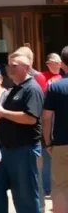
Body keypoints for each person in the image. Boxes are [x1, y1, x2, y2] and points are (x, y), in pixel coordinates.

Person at [0, 50, 44, 213]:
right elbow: (13, 117)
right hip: (5, 150)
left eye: (14, 65)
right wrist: (1, 118)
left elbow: (30, 118)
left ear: (26, 67)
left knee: (25, 197)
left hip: (24, 150)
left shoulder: (32, 89)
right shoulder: (14, 89)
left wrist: (2, 113)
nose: (10, 69)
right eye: (8, 65)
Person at [44, 47, 68, 213]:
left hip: (61, 143)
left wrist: (48, 142)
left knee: (60, 187)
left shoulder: (55, 86)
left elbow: (46, 118)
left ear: (63, 63)